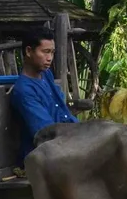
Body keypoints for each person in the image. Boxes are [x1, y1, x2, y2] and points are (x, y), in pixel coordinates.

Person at [9, 28, 78, 164]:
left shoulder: (46, 75)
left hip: (66, 142)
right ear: (29, 51)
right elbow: (46, 133)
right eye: (45, 52)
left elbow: (63, 113)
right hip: (44, 157)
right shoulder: (24, 91)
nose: (50, 58)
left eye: (52, 52)